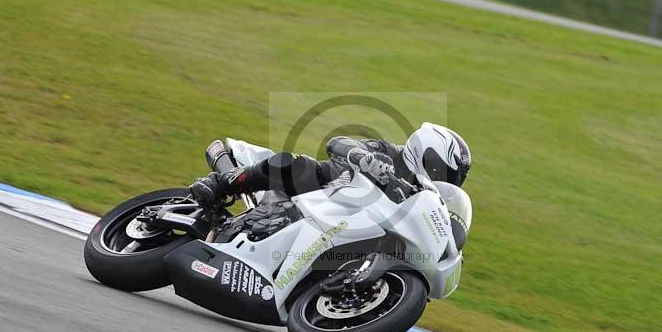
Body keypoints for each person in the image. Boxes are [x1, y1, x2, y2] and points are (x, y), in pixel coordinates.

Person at [189, 122, 471, 210]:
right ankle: (220, 182)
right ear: (427, 153)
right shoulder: (389, 152)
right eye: (444, 172)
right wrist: (363, 158)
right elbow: (338, 142)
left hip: (350, 219)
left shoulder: (422, 196)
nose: (444, 180)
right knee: (299, 165)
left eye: (452, 179)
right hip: (321, 188)